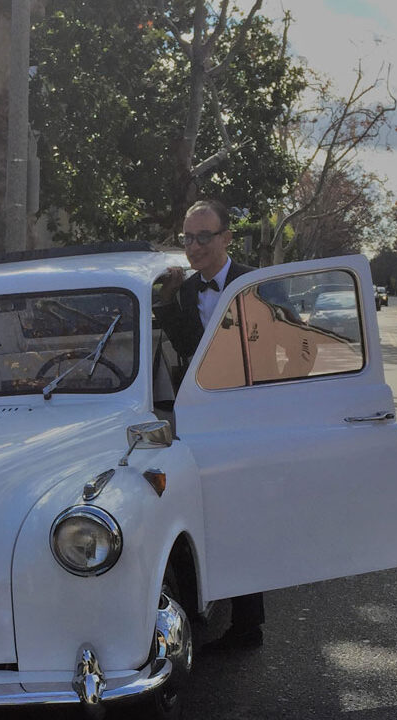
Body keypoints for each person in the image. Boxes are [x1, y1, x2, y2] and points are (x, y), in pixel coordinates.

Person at [156, 199, 265, 650]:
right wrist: (166, 300)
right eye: (187, 237)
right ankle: (205, 608)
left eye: (204, 237)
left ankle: (248, 624)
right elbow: (185, 350)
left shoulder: (254, 283)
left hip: (247, 416)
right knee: (208, 515)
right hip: (200, 418)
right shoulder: (184, 293)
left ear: (226, 238)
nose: (194, 246)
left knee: (245, 516)